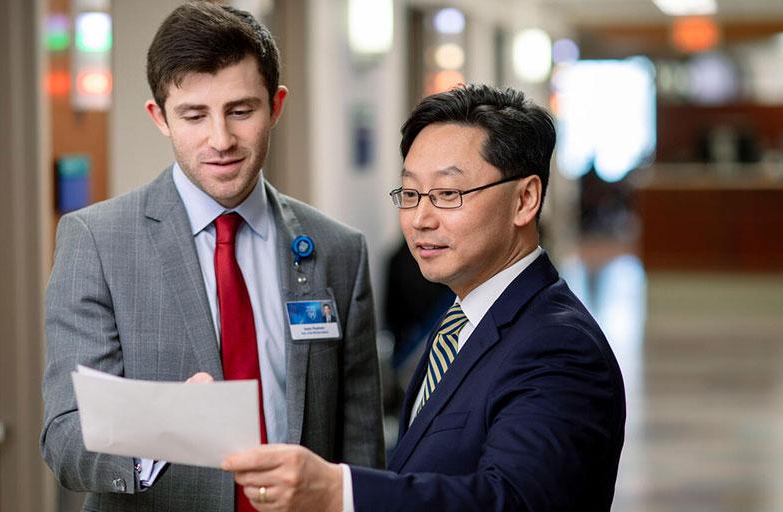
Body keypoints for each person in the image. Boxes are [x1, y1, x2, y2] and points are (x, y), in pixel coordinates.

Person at [40, 3, 384, 511]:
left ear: (277, 105)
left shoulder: (337, 250)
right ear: (160, 117)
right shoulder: (98, 241)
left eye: (241, 111)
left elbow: (359, 445)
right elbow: (65, 439)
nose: (220, 140)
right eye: (194, 115)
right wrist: (167, 426)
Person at [222, 84, 626, 511]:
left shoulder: (558, 349)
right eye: (411, 193)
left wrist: (338, 492)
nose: (420, 219)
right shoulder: (463, 316)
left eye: (448, 194)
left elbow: (514, 501)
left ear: (525, 200)